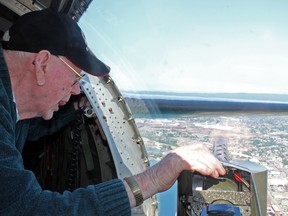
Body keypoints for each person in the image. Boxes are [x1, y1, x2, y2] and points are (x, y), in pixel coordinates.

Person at [0, 9, 226, 215]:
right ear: (42, 64)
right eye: (77, 76)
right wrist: (153, 179)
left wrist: (78, 107)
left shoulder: (13, 109)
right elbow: (29, 209)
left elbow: (30, 129)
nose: (78, 88)